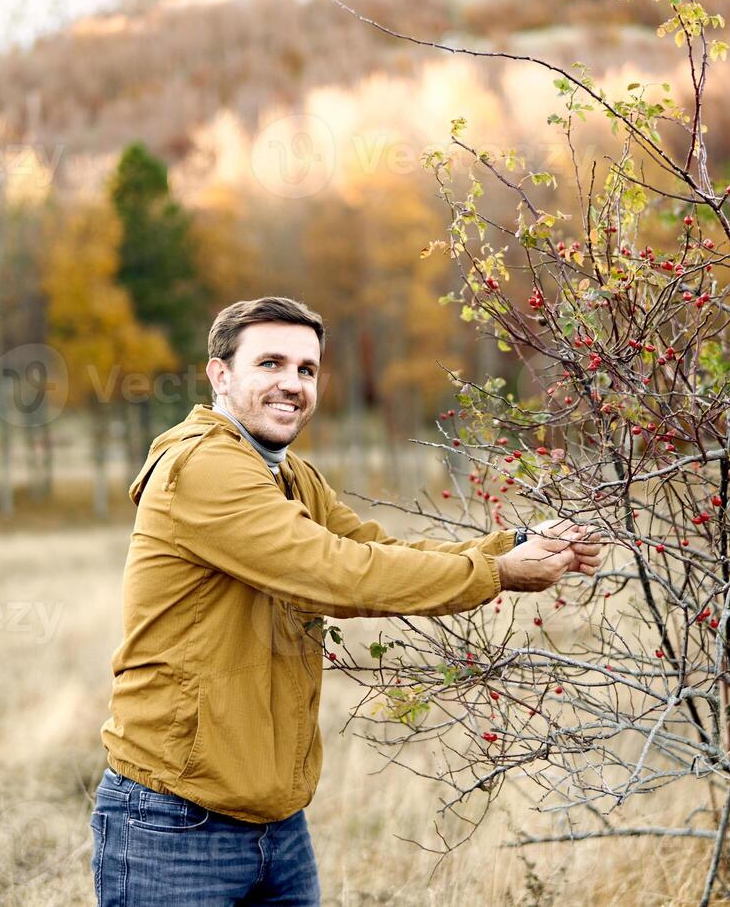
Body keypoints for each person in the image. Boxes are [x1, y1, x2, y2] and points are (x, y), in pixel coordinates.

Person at [90, 296, 602, 906]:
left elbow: (377, 547)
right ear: (220, 375)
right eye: (271, 364)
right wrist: (496, 574)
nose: (292, 384)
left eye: (307, 370)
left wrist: (514, 544)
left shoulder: (288, 474)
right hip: (176, 820)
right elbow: (340, 573)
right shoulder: (205, 468)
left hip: (276, 822)